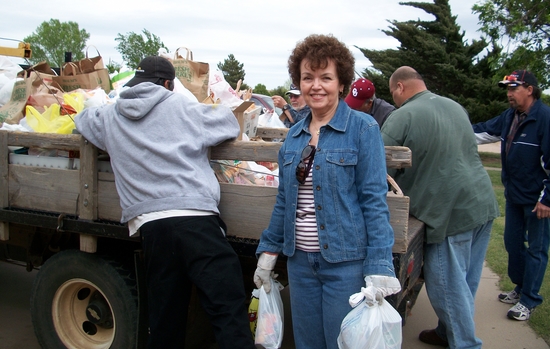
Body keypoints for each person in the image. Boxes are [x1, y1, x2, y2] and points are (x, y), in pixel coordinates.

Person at [74, 56, 255, 349]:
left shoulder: (110, 116)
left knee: (164, 319)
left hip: (152, 227)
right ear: (168, 84)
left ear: (136, 82)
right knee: (227, 310)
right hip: (196, 221)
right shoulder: (182, 107)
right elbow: (227, 123)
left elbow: (82, 119)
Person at [253, 34, 400, 349]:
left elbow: (374, 202)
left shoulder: (363, 129)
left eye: (325, 78)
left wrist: (378, 267)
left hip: (344, 264)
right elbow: (284, 202)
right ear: (299, 82)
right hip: (300, 264)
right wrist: (268, 252)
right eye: (308, 77)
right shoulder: (293, 137)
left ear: (342, 83)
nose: (316, 85)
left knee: (341, 343)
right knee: (307, 344)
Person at [381, 66, 499, 348]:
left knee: (447, 286)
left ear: (400, 87)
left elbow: (379, 166)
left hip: (448, 212)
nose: (394, 100)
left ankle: (466, 344)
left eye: (393, 93)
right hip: (481, 203)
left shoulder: (402, 116)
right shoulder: (454, 106)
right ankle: (447, 333)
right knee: (466, 281)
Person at [473, 70, 550, 322]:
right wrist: (453, 129)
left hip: (538, 199)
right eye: (507, 88)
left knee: (537, 250)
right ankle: (520, 287)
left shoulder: (545, 118)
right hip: (514, 195)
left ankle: (529, 300)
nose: (508, 93)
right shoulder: (510, 116)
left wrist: (547, 199)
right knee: (513, 244)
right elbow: (483, 131)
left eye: (513, 88)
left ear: (529, 89)